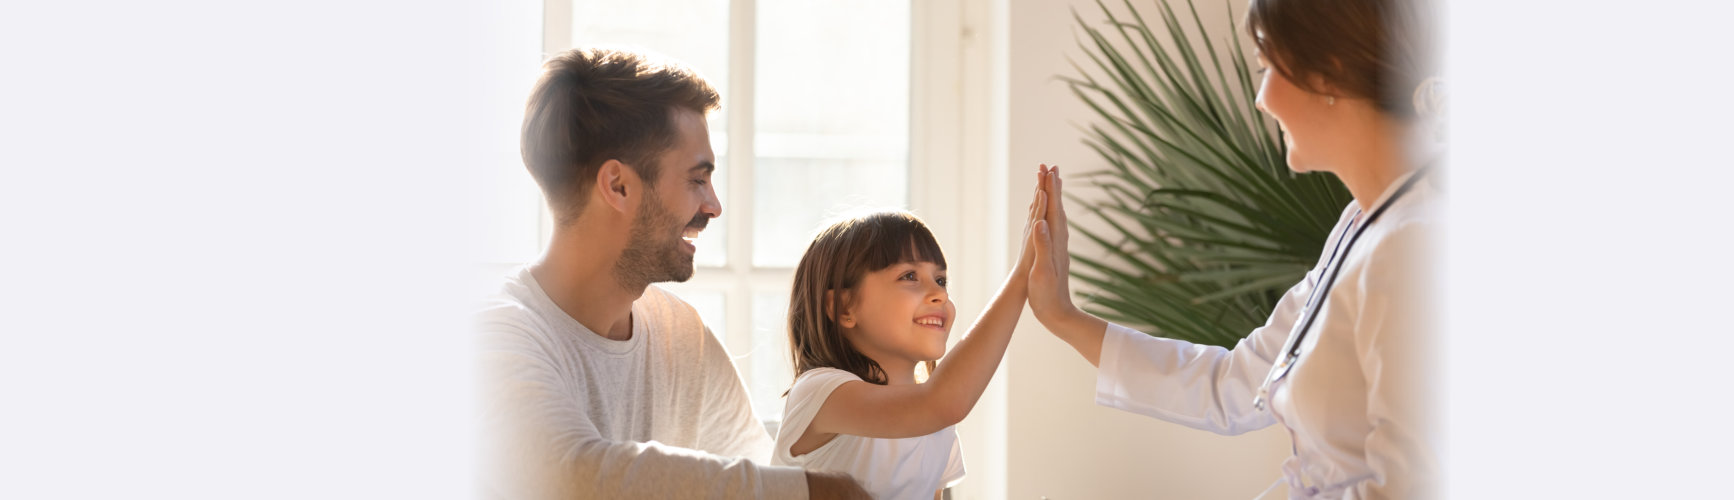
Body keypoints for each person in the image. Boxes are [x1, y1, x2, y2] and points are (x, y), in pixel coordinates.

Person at [1023, 0, 1443, 497]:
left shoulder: (1412, 245)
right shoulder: (1361, 224)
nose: (1261, 99)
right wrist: (1061, 315)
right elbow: (1233, 385)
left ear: (1328, 74)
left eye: (1266, 69)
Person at [476, 48, 868, 499]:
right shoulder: (497, 335)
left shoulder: (681, 335)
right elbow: (570, 477)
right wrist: (819, 491)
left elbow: (758, 464)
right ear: (618, 186)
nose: (714, 206)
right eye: (697, 179)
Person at [771, 170, 1047, 500]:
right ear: (844, 307)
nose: (939, 294)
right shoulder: (819, 393)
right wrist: (1021, 280)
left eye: (941, 280)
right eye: (910, 276)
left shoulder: (937, 422)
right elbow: (941, 403)